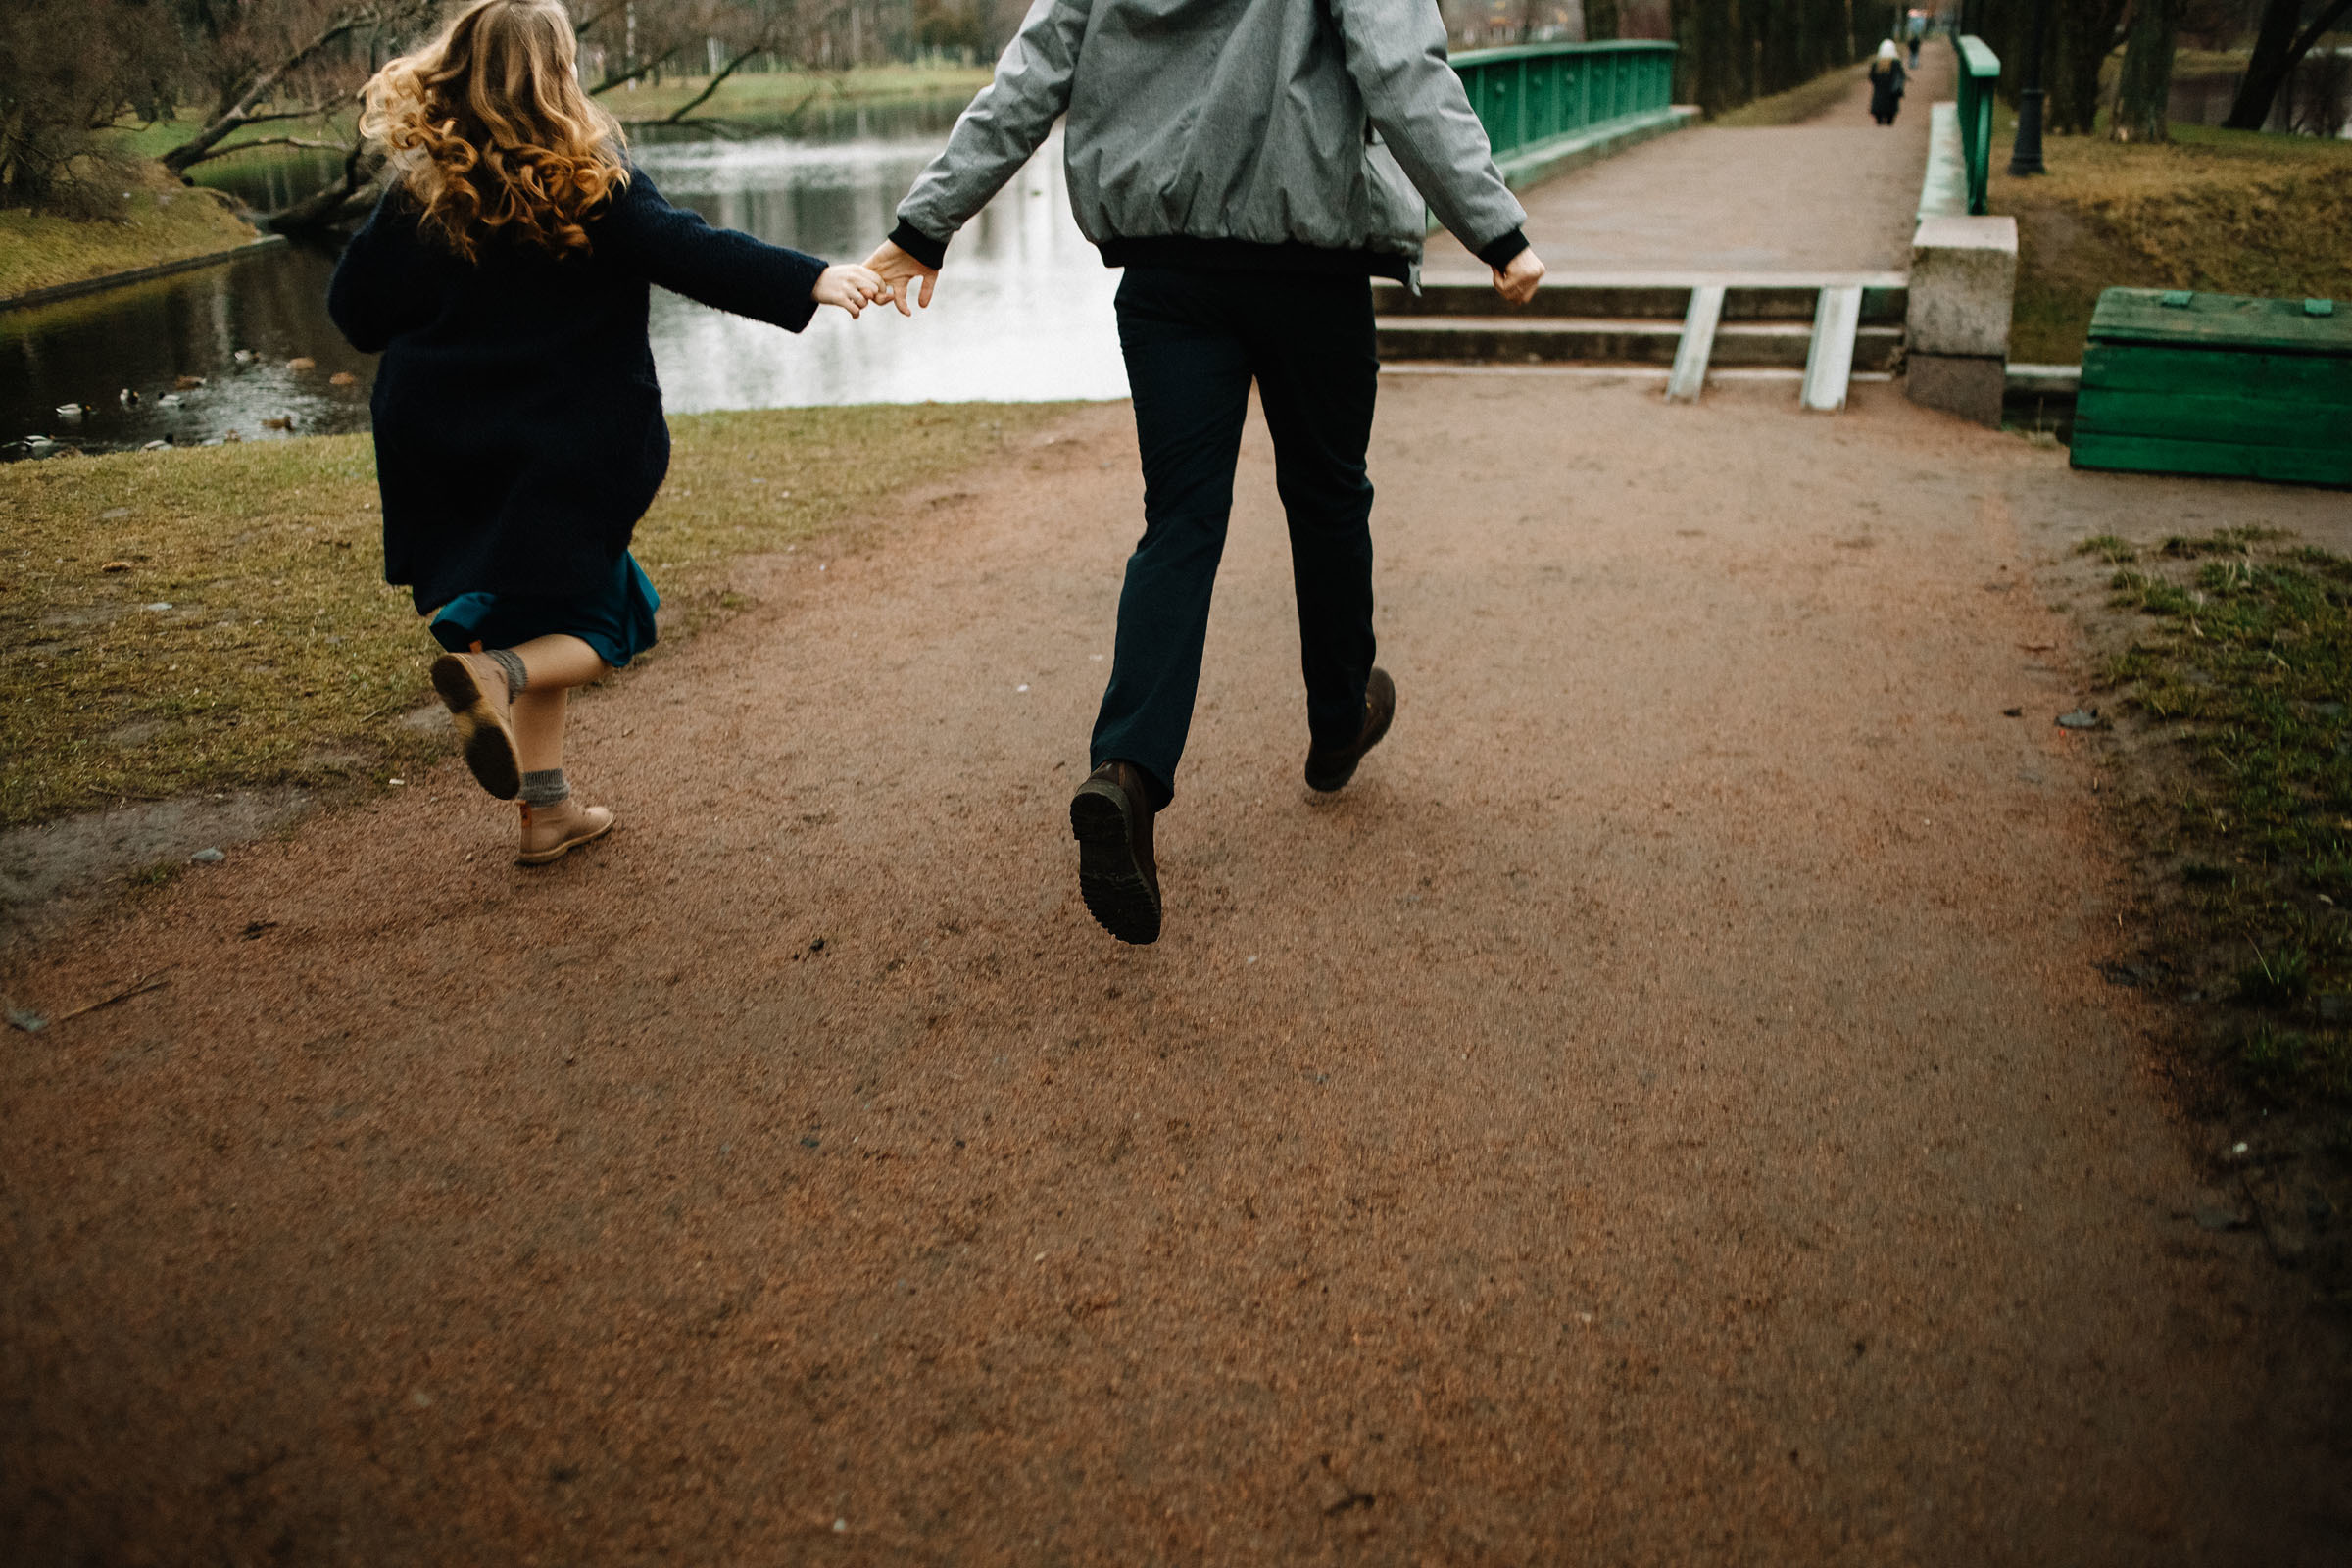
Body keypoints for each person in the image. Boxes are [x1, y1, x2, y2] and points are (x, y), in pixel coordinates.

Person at [862, 0, 1545, 945]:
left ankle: (1127, 774)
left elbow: (1032, 76)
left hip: (1168, 276)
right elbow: (1402, 72)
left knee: (1180, 523)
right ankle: (1338, 718)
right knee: (1328, 495)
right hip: (1310, 267)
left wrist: (924, 226)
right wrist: (1495, 229)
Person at [326, 0, 879, 865]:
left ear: (457, 67)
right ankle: (493, 679)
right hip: (565, 449)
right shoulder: (590, 178)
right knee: (611, 620)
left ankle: (547, 811)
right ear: (559, 73)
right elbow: (689, 249)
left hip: (451, 450)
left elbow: (354, 315)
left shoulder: (427, 191)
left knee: (531, 611)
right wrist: (812, 278)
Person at [1870, 39, 1909, 126]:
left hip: (1878, 96)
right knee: (1890, 120)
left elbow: (1872, 78)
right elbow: (1901, 76)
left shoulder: (1876, 64)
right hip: (1891, 96)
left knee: (1879, 120)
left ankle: (1880, 125)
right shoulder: (1896, 63)